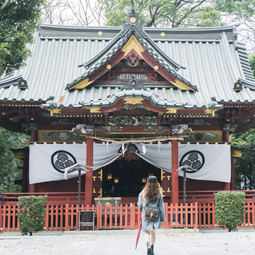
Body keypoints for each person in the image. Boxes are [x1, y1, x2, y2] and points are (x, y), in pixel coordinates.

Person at [138, 176, 165, 255]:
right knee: (153, 232)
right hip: (155, 215)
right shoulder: (159, 193)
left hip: (146, 214)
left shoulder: (143, 193)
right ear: (156, 182)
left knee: (146, 232)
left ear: (147, 182)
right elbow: (161, 207)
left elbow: (140, 205)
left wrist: (142, 208)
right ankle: (152, 248)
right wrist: (162, 218)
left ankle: (148, 245)